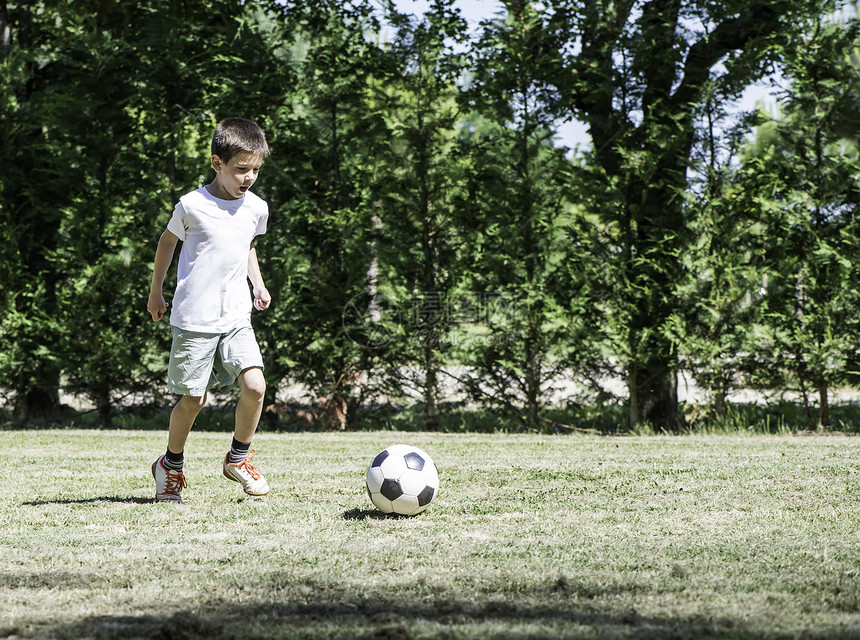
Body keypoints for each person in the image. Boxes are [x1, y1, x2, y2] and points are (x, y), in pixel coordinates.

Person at [146, 117, 272, 503]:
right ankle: (170, 464)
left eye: (255, 170)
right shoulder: (192, 205)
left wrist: (258, 283)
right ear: (217, 163)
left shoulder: (256, 207)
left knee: (255, 385)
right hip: (195, 319)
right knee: (194, 400)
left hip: (235, 315)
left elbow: (245, 244)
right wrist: (156, 293)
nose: (248, 177)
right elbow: (167, 244)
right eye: (240, 169)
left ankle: (238, 458)